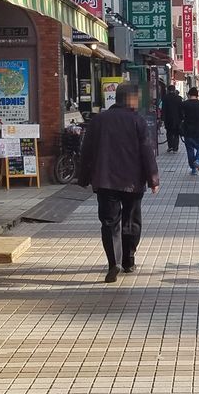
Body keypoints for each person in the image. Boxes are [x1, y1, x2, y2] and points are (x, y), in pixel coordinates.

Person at [78, 82, 160, 283]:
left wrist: (83, 177)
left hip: (105, 180)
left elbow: (86, 150)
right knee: (131, 221)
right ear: (131, 99)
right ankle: (128, 260)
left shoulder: (99, 120)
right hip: (132, 182)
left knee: (109, 222)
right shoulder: (137, 121)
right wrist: (153, 179)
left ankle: (113, 261)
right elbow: (147, 151)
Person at [182, 87, 199, 175]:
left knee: (190, 149)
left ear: (189, 95)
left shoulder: (184, 104)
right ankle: (198, 160)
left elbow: (181, 116)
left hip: (188, 130)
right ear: (197, 95)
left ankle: (193, 169)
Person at [161, 84, 183, 153]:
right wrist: (182, 118)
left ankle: (170, 146)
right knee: (176, 133)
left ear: (168, 90)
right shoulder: (179, 98)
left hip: (168, 119)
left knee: (169, 133)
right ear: (174, 90)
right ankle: (175, 149)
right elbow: (181, 109)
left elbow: (163, 109)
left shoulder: (165, 98)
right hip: (177, 119)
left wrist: (162, 119)